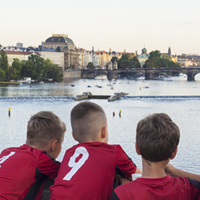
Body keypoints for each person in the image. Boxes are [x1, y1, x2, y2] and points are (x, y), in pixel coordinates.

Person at [50, 101, 142, 200]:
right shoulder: (114, 151)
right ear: (103, 132)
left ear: (74, 136)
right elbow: (140, 175)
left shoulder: (69, 153)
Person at [111, 113, 200, 200]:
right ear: (174, 153)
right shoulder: (189, 188)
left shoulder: (121, 194)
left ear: (137, 148)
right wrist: (176, 172)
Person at [0, 111, 66, 200]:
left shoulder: (7, 152)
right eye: (61, 143)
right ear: (54, 145)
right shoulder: (40, 159)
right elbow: (70, 171)